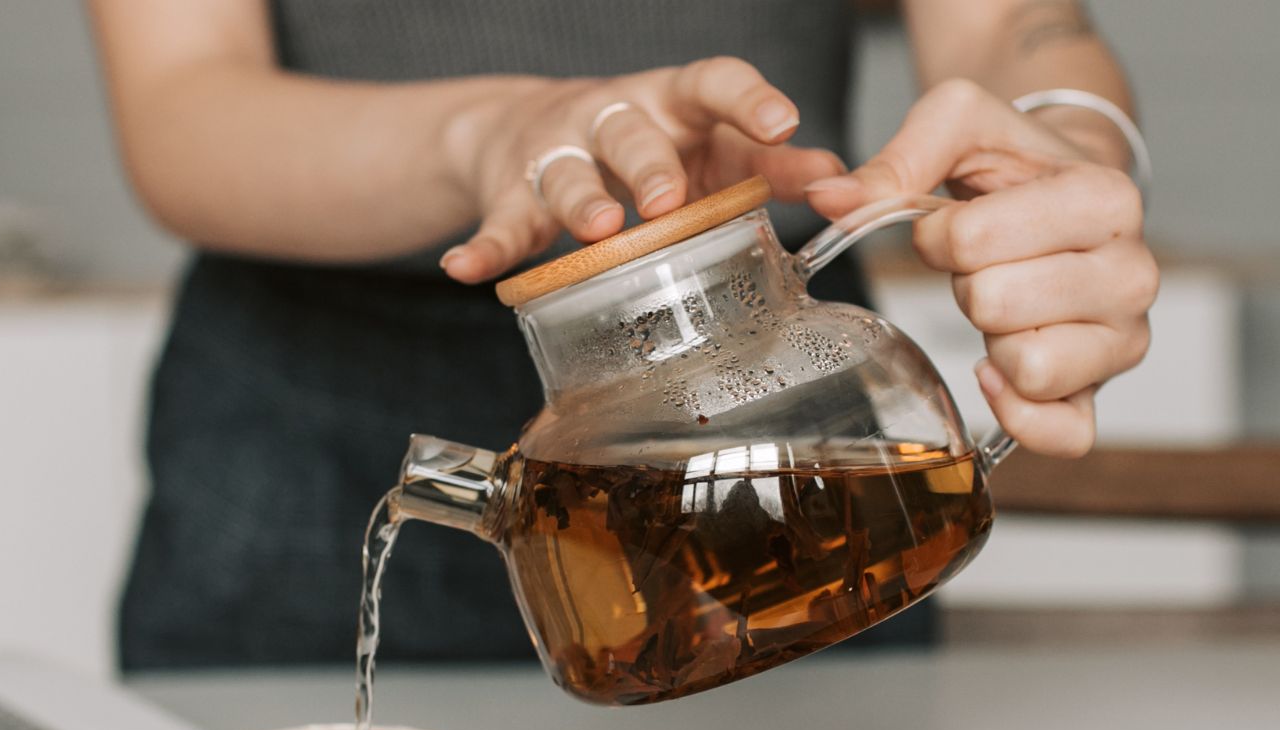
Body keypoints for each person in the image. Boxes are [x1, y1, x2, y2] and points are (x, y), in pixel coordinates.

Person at [89, 0, 1156, 671]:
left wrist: (1065, 150)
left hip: (780, 404)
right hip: (302, 433)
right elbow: (181, 99)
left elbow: (1009, 25)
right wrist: (487, 138)